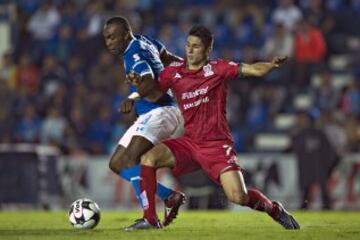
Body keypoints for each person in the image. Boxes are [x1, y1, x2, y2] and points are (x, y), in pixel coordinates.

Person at [125, 25, 300, 231]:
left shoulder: (218, 69)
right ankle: (150, 219)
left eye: (196, 47)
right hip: (189, 143)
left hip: (216, 145)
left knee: (238, 197)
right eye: (188, 45)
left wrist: (270, 65)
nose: (189, 51)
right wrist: (137, 88)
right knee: (148, 158)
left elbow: (252, 69)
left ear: (207, 50)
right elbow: (153, 92)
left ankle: (274, 210)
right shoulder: (173, 73)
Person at [102, 16, 185, 226]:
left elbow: (148, 82)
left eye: (112, 37)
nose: (108, 42)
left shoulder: (134, 54)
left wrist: (132, 97)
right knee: (117, 163)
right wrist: (190, 69)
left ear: (124, 34)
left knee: (131, 158)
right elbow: (168, 58)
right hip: (154, 112)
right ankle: (169, 196)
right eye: (106, 38)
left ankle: (150, 218)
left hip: (160, 111)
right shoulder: (145, 40)